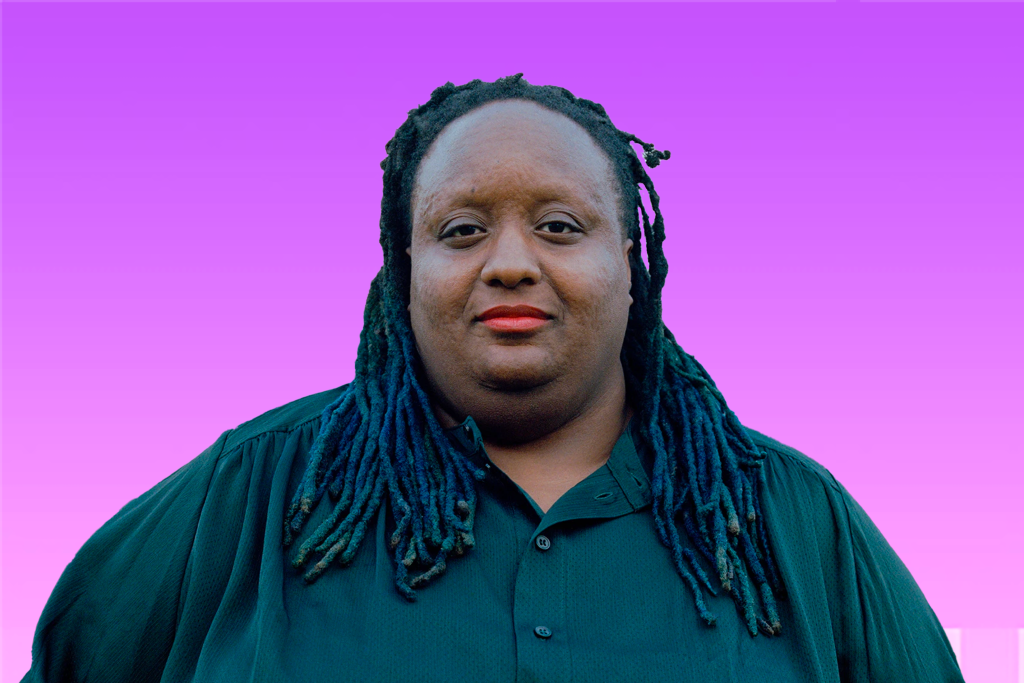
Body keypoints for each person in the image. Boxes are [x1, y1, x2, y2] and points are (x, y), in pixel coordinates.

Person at [21, 74, 963, 683]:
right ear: (402, 272)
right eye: (462, 230)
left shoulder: (796, 522)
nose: (510, 262)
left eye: (559, 226)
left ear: (631, 265)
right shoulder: (254, 490)